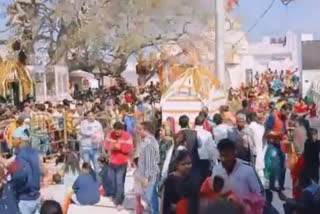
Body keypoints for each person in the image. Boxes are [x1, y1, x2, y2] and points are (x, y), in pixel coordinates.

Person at [211, 139, 263, 212]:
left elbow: (258, 194)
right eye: (221, 156)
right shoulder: (216, 169)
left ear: (234, 154)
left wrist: (243, 201)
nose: (223, 159)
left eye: (226, 156)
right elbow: (213, 192)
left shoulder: (247, 170)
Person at [105, 121, 133, 209]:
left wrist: (120, 147)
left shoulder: (127, 136)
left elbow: (130, 148)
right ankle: (117, 195)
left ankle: (119, 201)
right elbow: (106, 144)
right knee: (113, 181)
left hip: (122, 162)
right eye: (116, 131)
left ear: (122, 130)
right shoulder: (110, 134)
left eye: (119, 131)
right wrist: (112, 146)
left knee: (119, 182)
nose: (117, 133)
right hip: (112, 162)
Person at [264, 104, 290, 191]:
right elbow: (267, 131)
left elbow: (286, 131)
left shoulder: (285, 118)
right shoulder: (273, 117)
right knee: (274, 166)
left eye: (288, 114)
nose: (287, 115)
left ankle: (281, 185)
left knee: (284, 166)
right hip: (274, 145)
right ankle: (272, 185)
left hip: (284, 144)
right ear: (282, 109)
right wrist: (278, 135)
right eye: (286, 113)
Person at [136, 121, 160, 214]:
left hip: (150, 175)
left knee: (151, 199)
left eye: (140, 129)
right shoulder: (146, 141)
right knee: (150, 199)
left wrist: (146, 177)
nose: (138, 131)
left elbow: (150, 161)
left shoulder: (149, 142)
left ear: (146, 130)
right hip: (147, 175)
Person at [163, 150, 192, 214]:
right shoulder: (171, 180)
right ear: (177, 165)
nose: (187, 166)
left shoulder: (190, 178)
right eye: (183, 164)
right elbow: (167, 204)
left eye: (189, 163)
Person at [247, 112, 265, 184]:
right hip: (260, 150)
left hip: (252, 152)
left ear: (248, 119)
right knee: (260, 171)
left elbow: (249, 143)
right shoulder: (261, 127)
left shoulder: (248, 128)